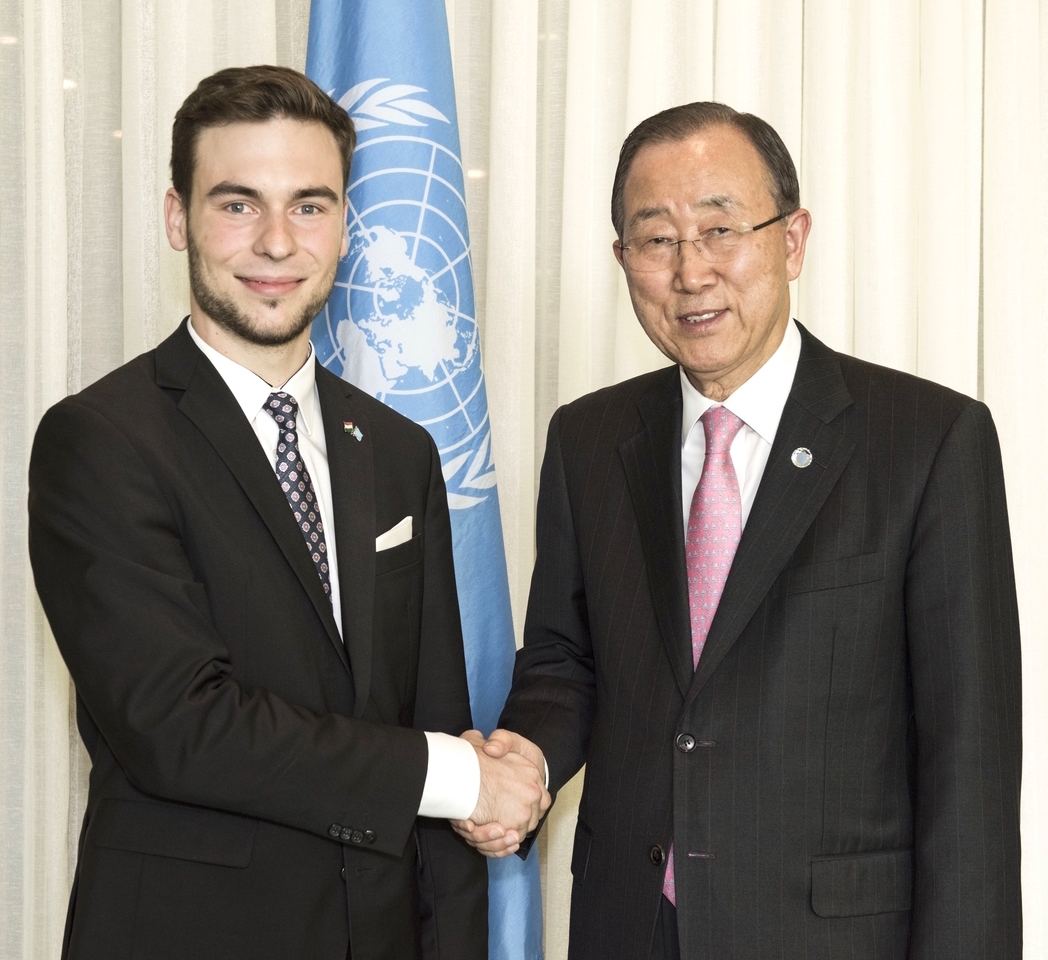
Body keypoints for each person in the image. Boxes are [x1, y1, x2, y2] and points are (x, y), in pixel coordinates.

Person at [457, 102, 1023, 960]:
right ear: (623, 261)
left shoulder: (928, 441)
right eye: (657, 240)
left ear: (791, 240)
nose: (693, 272)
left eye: (721, 229)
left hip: (833, 937)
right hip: (631, 927)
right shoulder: (589, 439)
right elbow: (564, 660)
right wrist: (524, 763)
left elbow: (968, 762)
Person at [28, 65, 547, 960]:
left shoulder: (398, 450)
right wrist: (462, 776)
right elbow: (181, 727)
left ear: (345, 224)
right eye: (237, 204)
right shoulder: (100, 440)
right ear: (175, 217)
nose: (276, 242)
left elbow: (431, 711)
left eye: (309, 205)